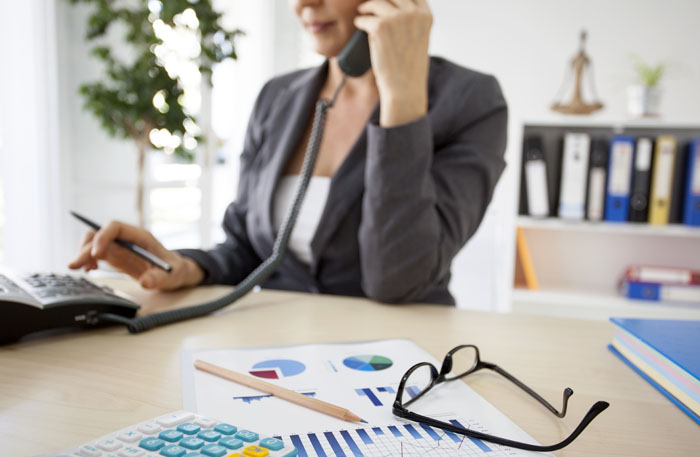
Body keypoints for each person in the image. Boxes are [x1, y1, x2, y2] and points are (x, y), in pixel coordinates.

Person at [69, 0, 507, 305]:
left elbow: (398, 278)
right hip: (281, 353)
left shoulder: (470, 101)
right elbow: (247, 248)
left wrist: (402, 98)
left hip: (402, 365)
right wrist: (182, 266)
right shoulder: (278, 97)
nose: (303, 3)